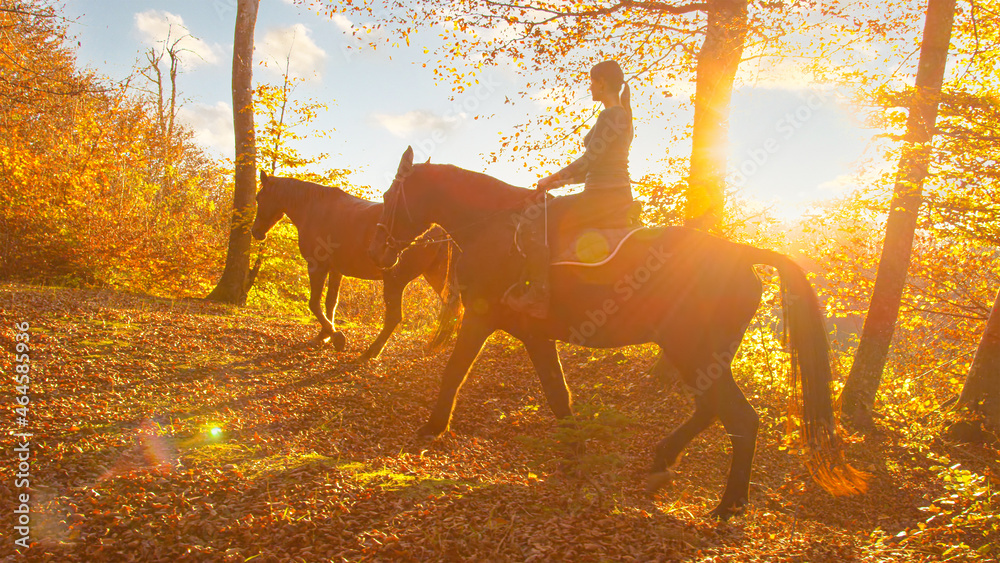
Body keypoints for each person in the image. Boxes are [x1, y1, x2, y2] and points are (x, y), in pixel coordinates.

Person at [503, 60, 636, 319]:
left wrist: (552, 176)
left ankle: (538, 295)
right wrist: (559, 182)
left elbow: (589, 160)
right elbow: (597, 165)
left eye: (592, 81)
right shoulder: (623, 116)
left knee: (535, 217)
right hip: (610, 192)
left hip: (603, 196)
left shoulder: (611, 115)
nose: (590, 86)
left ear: (602, 82)